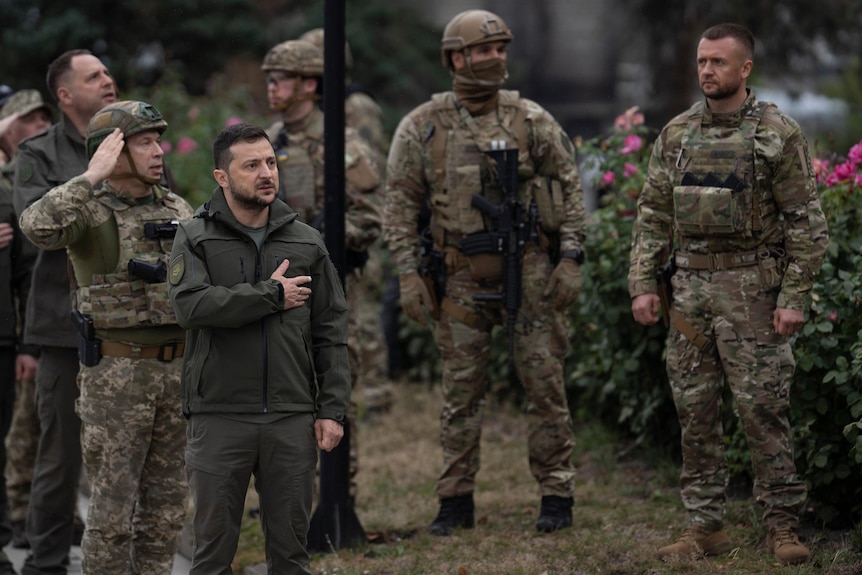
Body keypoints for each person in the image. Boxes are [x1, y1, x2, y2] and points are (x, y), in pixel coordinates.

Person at [627, 23, 829, 566]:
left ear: (745, 69)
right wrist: (644, 284)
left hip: (753, 293)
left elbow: (806, 224)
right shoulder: (677, 134)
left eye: (718, 62)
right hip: (689, 292)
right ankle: (704, 528)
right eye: (701, 61)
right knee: (695, 412)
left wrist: (794, 296)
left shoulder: (776, 133)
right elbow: (652, 216)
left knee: (763, 410)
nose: (707, 71)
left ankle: (782, 526)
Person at [384, 9, 585, 535]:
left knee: (544, 385)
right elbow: (400, 206)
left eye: (502, 49)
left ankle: (556, 494)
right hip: (461, 279)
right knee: (461, 392)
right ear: (456, 57)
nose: (497, 58)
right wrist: (408, 273)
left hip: (533, 272)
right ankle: (455, 501)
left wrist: (570, 258)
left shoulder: (531, 119)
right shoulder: (423, 126)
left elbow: (570, 189)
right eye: (485, 49)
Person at [167, 122, 351, 574]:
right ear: (222, 178)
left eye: (270, 162)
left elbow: (331, 329)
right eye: (251, 165)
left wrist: (332, 408)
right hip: (219, 415)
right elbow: (191, 307)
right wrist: (271, 294)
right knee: (212, 555)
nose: (266, 172)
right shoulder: (195, 236)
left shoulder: (305, 241)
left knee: (291, 554)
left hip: (290, 417)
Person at [19, 100, 193, 574]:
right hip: (118, 375)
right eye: (145, 142)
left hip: (176, 373)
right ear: (113, 152)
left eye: (158, 140)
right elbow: (36, 226)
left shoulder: (176, 207)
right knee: (112, 515)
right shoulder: (89, 208)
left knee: (164, 513)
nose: (159, 151)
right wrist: (89, 176)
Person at [261, 39, 381, 498]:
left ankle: (335, 491)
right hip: (275, 289)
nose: (272, 88)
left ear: (309, 84)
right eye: (269, 79)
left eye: (281, 79)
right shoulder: (271, 140)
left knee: (332, 388)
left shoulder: (341, 142)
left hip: (329, 287)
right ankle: (288, 489)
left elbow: (371, 214)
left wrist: (320, 243)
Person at [13, 49, 116, 575]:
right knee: (59, 456)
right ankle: (47, 561)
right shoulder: (37, 153)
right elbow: (39, 228)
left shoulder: (131, 139)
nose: (107, 80)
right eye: (93, 75)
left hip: (129, 326)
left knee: (127, 451)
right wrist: (94, 180)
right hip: (62, 326)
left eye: (106, 71)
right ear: (65, 95)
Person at [0, 89, 53, 551]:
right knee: (20, 422)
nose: (38, 125)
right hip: (15, 323)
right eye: (27, 119)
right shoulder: (7, 181)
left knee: (44, 417)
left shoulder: (46, 176)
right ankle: (17, 510)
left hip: (39, 319)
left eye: (43, 118)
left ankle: (37, 513)